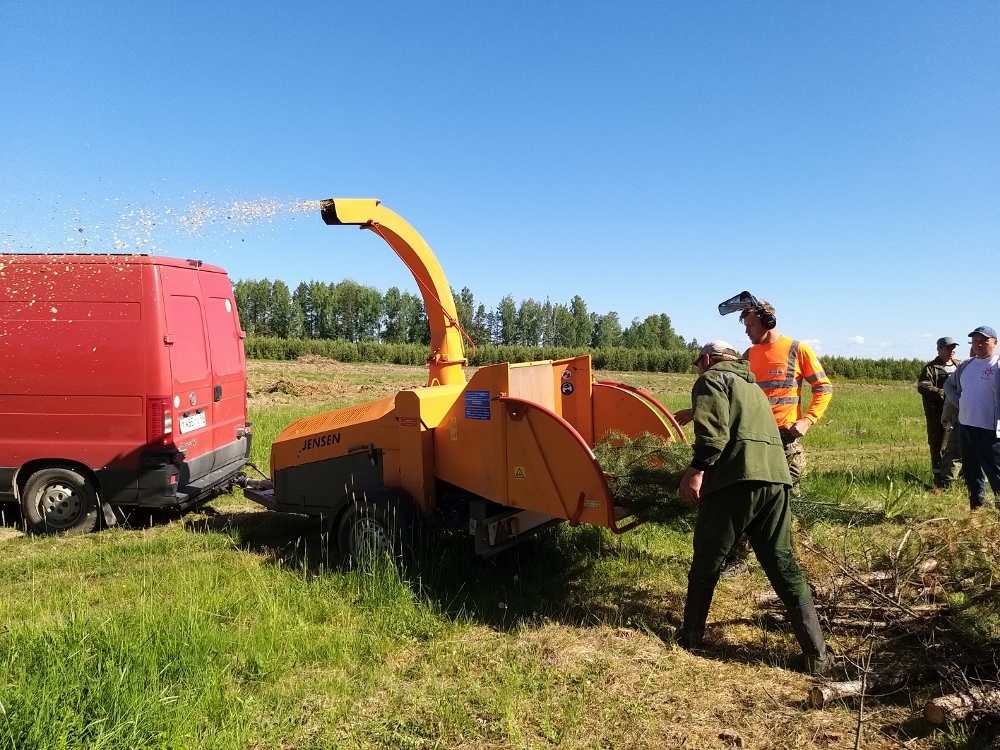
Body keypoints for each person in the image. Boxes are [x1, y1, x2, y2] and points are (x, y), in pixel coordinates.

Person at [676, 340, 832, 676]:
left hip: (737, 479)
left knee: (708, 554)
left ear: (706, 360)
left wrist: (695, 470)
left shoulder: (711, 379)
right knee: (780, 559)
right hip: (776, 480)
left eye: (698, 364)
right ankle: (817, 656)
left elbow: (714, 436)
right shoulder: (754, 386)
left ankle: (690, 636)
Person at [739, 300, 833, 490]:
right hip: (755, 435)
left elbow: (824, 388)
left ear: (768, 322)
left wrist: (808, 420)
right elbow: (732, 391)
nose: (746, 331)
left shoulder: (797, 350)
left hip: (785, 436)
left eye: (750, 325)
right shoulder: (748, 355)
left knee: (790, 490)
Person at [944, 326, 1000, 510]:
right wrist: (960, 403)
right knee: (971, 471)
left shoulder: (997, 366)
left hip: (990, 430)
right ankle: (977, 510)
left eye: (984, 340)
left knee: (996, 472)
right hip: (966, 426)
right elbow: (948, 385)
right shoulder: (966, 366)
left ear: (995, 342)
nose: (979, 344)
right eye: (975, 341)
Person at [918, 337, 960, 488]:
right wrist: (947, 395)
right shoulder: (930, 368)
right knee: (937, 445)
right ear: (939, 349)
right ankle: (939, 480)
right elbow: (923, 387)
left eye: (953, 348)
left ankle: (957, 478)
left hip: (958, 415)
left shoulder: (960, 366)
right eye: (948, 348)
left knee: (957, 446)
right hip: (936, 415)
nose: (952, 351)